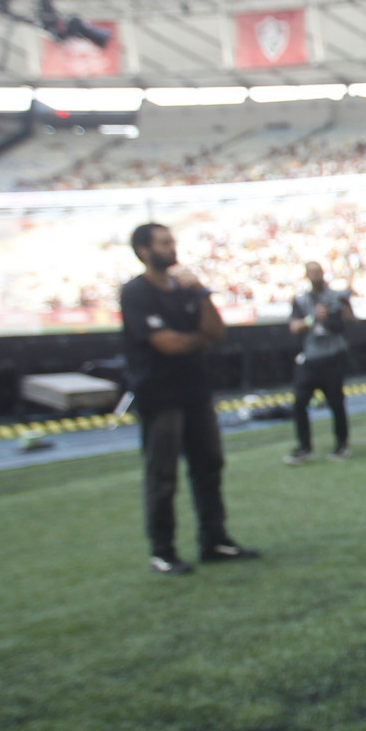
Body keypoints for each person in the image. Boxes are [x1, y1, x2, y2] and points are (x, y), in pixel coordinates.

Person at [120, 222, 259, 575]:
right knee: (163, 473)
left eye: (172, 241)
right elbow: (169, 345)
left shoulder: (185, 289)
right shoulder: (136, 293)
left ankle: (214, 540)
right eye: (163, 243)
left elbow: (217, 331)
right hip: (159, 395)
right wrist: (198, 338)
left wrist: (200, 293)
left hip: (195, 390)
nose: (172, 248)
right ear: (143, 251)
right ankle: (162, 551)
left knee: (209, 466)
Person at [284, 261, 354, 465]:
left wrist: (346, 307)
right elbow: (294, 326)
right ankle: (304, 447)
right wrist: (312, 319)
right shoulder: (301, 300)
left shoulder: (335, 297)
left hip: (333, 355)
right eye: (312, 272)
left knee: (336, 402)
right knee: (299, 403)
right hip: (311, 356)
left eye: (318, 272)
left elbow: (351, 321)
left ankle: (341, 444)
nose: (316, 276)